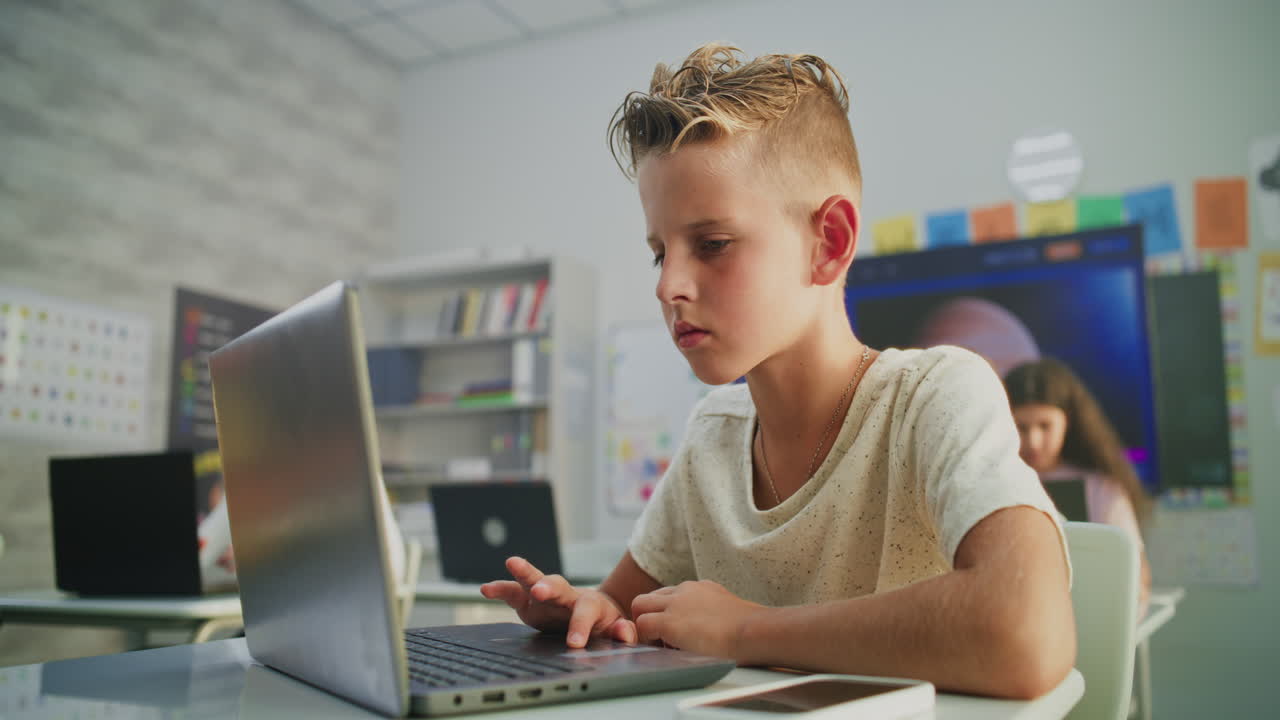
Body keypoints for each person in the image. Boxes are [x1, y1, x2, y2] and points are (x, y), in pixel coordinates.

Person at [480, 43, 1074, 699]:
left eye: (712, 246)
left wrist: (746, 632)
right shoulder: (714, 433)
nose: (669, 285)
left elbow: (1029, 633)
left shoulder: (934, 396)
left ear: (830, 244)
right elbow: (625, 606)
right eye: (659, 253)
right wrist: (589, 615)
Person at [1004, 358, 1153, 612]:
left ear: (1068, 422)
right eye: (1021, 427)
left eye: (1045, 425)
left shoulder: (1101, 487)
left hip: (1088, 615)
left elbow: (1132, 571)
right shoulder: (997, 481)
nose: (1034, 441)